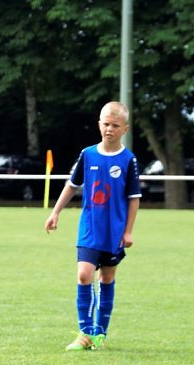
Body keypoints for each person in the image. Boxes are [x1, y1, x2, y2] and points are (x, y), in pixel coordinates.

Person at [45, 101, 141, 351]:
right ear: (99, 125)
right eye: (106, 124)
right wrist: (55, 212)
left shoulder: (128, 160)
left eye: (115, 125)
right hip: (89, 228)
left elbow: (134, 198)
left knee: (106, 278)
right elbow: (72, 185)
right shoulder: (88, 154)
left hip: (114, 231)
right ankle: (85, 332)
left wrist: (128, 231)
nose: (109, 129)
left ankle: (100, 333)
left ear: (125, 129)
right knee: (84, 274)